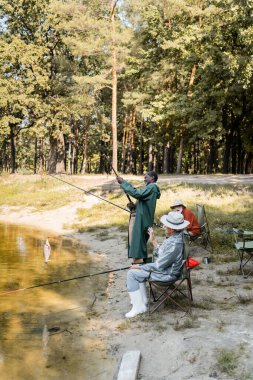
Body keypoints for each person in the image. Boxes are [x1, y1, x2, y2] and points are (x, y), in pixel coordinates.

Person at [124, 211, 190, 318]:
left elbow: (159, 265)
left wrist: (140, 266)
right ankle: (142, 301)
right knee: (138, 269)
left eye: (166, 225)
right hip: (171, 269)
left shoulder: (174, 244)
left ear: (172, 229)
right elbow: (165, 256)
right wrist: (154, 242)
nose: (164, 227)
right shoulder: (178, 236)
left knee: (132, 273)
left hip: (167, 275)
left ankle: (138, 308)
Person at [116, 171, 161, 263]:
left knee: (136, 245)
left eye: (146, 177)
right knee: (137, 244)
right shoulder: (149, 188)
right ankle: (141, 266)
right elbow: (142, 202)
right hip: (140, 219)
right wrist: (134, 206)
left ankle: (139, 267)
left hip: (140, 221)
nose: (144, 179)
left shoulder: (152, 187)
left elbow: (137, 193)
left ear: (152, 178)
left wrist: (123, 183)